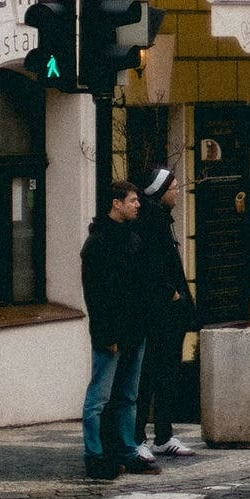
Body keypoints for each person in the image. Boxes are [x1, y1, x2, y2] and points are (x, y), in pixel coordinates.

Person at [80, 179, 157, 481]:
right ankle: (94, 454)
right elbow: (95, 294)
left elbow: (140, 286)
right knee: (99, 397)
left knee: (127, 396)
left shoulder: (132, 238)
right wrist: (104, 334)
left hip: (135, 330)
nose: (138, 205)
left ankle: (127, 449)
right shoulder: (98, 242)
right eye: (133, 200)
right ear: (116, 203)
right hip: (111, 333)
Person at [135, 163, 196, 460]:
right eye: (173, 189)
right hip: (158, 313)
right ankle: (139, 437)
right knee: (149, 375)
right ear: (160, 193)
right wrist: (170, 293)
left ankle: (163, 434)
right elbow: (151, 267)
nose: (177, 193)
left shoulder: (161, 219)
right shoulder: (151, 222)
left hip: (170, 312)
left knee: (167, 374)